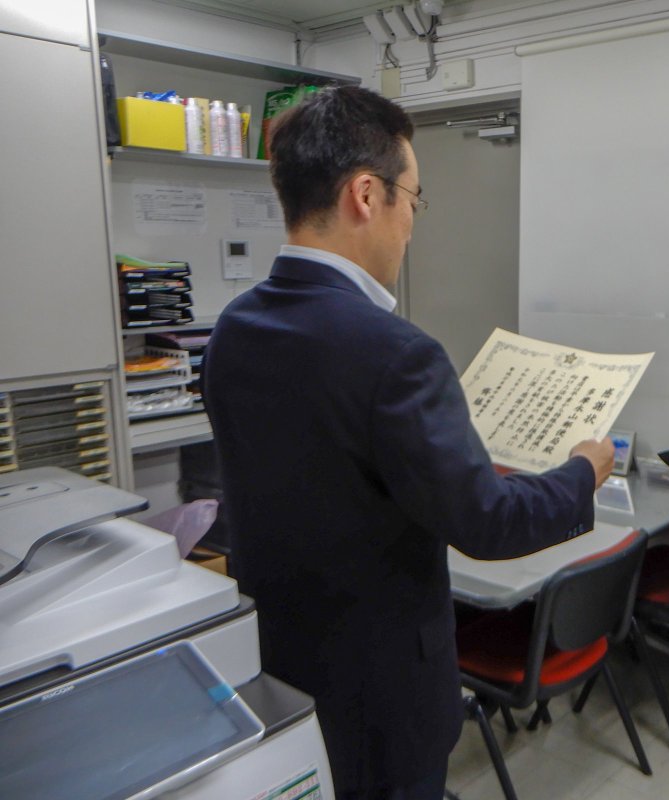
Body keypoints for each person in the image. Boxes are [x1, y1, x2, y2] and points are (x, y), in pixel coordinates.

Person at [203, 86, 614, 800]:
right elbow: (487, 521)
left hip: (277, 666)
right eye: (413, 201)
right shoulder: (396, 353)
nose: (411, 227)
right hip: (384, 695)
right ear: (367, 195)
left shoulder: (233, 331)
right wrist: (584, 471)